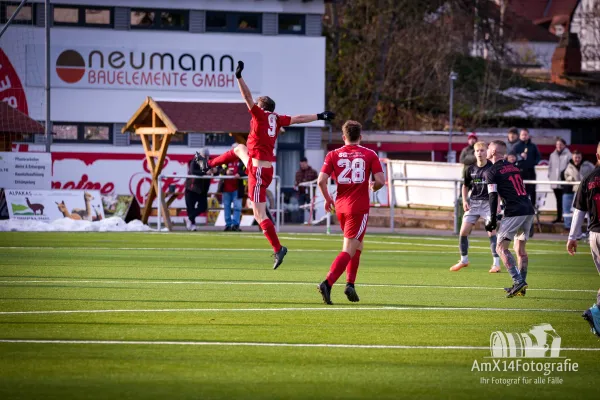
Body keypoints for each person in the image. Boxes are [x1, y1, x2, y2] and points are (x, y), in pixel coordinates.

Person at [195, 60, 335, 269]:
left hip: (259, 170)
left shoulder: (260, 115)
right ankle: (208, 165)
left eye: (257, 106)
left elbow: (246, 97)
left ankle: (278, 249)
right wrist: (320, 116)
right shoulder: (276, 119)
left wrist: (239, 76)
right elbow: (298, 118)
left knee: (258, 213)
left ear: (262, 107)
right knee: (238, 149)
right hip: (259, 165)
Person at [316, 120, 385, 304]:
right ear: (360, 137)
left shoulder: (333, 154)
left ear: (343, 136)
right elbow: (381, 180)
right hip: (358, 208)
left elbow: (321, 181)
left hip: (340, 207)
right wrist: (374, 186)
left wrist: (328, 199)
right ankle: (327, 283)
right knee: (349, 249)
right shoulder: (369, 154)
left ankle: (350, 285)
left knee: (357, 246)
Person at [484, 140, 535, 298]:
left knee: (500, 247)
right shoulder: (513, 167)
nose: (486, 151)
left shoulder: (492, 171)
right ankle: (521, 286)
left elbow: (493, 196)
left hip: (515, 211)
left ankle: (518, 281)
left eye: (487, 149)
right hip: (528, 209)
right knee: (520, 250)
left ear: (492, 152)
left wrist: (492, 218)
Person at [450, 141, 501, 273]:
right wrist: (465, 200)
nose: (480, 153)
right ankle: (464, 260)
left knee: (492, 232)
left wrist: (498, 204)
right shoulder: (470, 169)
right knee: (463, 232)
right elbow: (465, 186)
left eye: (482, 151)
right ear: (474, 153)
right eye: (477, 151)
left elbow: (498, 188)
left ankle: (496, 264)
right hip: (474, 203)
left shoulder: (492, 168)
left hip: (488, 204)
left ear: (487, 153)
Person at [566, 142, 600, 337]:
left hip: (595, 234)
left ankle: (597, 312)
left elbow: (578, 210)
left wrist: (572, 237)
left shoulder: (588, 178)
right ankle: (596, 310)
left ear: (596, 155)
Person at [562, 150, 594, 235]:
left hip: (589, 192)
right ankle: (577, 233)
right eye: (575, 157)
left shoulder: (588, 165)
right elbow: (566, 176)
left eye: (579, 157)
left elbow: (595, 172)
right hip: (577, 192)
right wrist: (570, 179)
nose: (577, 159)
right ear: (572, 157)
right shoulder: (569, 166)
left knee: (590, 213)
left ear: (581, 157)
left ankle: (590, 232)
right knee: (576, 213)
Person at [513, 128, 541, 211]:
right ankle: (519, 206)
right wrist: (519, 156)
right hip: (519, 171)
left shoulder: (533, 146)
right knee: (519, 189)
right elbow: (512, 158)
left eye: (525, 134)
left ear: (528, 136)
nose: (524, 136)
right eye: (522, 135)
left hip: (530, 171)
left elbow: (538, 157)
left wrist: (533, 163)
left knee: (532, 189)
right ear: (520, 136)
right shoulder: (516, 146)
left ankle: (532, 206)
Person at [184, 148, 211, 231]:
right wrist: (205, 172)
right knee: (190, 208)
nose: (206, 158)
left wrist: (215, 170)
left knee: (203, 207)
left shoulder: (209, 162)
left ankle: (189, 219)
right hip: (191, 188)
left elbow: (216, 171)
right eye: (204, 156)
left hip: (202, 190)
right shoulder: (194, 161)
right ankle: (192, 225)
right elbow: (193, 171)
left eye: (207, 156)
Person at [219, 156, 247, 232]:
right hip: (226, 189)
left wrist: (239, 174)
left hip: (237, 189)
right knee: (226, 207)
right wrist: (226, 172)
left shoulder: (243, 160)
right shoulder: (225, 160)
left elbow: (248, 170)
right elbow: (219, 170)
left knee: (237, 207)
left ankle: (235, 225)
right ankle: (228, 225)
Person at [548, 137, 572, 224]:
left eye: (561, 144)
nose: (559, 146)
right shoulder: (552, 155)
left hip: (565, 182)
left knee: (564, 201)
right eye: (557, 144)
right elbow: (550, 168)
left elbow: (570, 168)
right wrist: (550, 177)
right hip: (555, 182)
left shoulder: (569, 155)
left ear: (564, 145)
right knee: (558, 200)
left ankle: (565, 219)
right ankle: (559, 217)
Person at [294, 157, 318, 222]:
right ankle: (300, 223)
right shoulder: (298, 173)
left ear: (306, 163)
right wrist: (296, 186)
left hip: (310, 193)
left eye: (303, 164)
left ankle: (314, 220)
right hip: (301, 193)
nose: (302, 166)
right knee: (301, 208)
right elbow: (296, 183)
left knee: (311, 208)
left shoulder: (313, 172)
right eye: (301, 165)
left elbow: (317, 182)